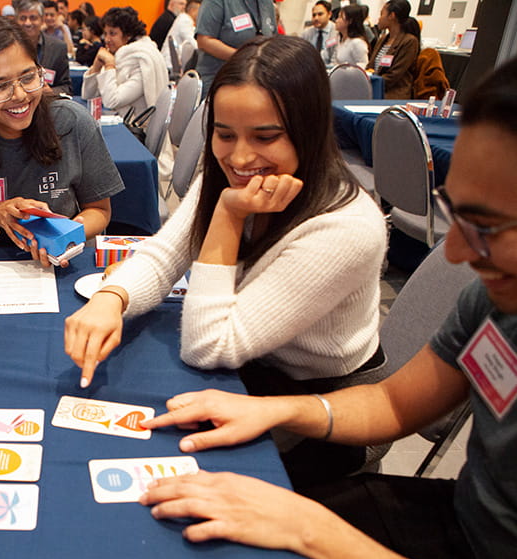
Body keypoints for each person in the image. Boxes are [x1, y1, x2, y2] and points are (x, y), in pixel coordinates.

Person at [139, 57, 517, 559]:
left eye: (488, 227)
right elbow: (395, 404)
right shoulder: (494, 301)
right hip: (460, 524)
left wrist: (318, 532)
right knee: (212, 548)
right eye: (455, 214)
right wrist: (283, 412)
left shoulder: (346, 224)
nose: (460, 251)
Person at [66, 36, 386, 483]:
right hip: (251, 364)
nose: (239, 157)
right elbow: (163, 255)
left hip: (317, 405)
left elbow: (209, 344)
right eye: (224, 133)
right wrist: (110, 297)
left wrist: (229, 215)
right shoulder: (228, 173)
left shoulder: (347, 227)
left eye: (265, 137)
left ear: (308, 129)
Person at [0, 17, 123, 267]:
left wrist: (65, 234)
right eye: (0, 86)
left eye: (28, 78)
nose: (19, 95)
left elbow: (100, 210)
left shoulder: (72, 122)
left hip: (60, 266)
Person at [80, 7, 169, 119]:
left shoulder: (141, 61)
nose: (107, 39)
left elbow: (111, 101)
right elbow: (88, 96)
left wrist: (109, 65)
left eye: (112, 34)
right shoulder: (117, 54)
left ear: (128, 35)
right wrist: (96, 67)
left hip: (134, 132)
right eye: (105, 34)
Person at [194, 0, 276, 96]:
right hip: (219, 79)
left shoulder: (267, 4)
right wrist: (244, 57)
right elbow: (204, 41)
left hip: (256, 82)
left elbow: (273, 40)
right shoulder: (217, 2)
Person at [14, 0, 71, 95]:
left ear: (42, 20)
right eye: (23, 18)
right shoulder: (7, 48)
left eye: (33, 18)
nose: (28, 23)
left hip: (46, 104)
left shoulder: (58, 48)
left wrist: (51, 92)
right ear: (16, 21)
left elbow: (66, 87)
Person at [368, 0, 420, 99]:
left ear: (392, 16)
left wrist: (372, 83)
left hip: (392, 94)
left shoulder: (409, 41)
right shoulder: (383, 38)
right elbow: (371, 66)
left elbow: (394, 76)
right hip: (375, 88)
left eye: (381, 14)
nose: (378, 19)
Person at [161, 0, 200, 73]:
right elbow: (192, 42)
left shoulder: (184, 19)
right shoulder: (185, 20)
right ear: (193, 10)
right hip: (170, 64)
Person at [329, 4, 369, 68]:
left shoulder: (357, 43)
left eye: (340, 17)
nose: (336, 20)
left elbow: (362, 66)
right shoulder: (340, 38)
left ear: (350, 21)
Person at [301, 0, 337, 65]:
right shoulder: (306, 34)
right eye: (314, 15)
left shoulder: (336, 32)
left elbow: (335, 60)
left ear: (329, 14)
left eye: (320, 14)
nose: (316, 18)